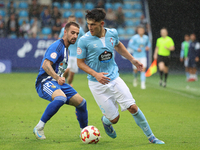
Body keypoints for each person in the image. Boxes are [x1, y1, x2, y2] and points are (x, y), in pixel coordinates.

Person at [77, 8, 164, 144]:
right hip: (97, 84)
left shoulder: (112, 33)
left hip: (114, 78)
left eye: (93, 24)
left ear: (101, 23)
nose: (90, 27)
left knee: (133, 107)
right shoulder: (84, 40)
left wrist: (133, 60)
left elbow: (118, 45)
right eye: (88, 24)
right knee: (114, 119)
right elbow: (80, 63)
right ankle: (106, 121)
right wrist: (96, 74)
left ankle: (152, 137)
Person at [33, 22, 88, 140]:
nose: (75, 36)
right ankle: (39, 127)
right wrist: (57, 77)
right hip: (45, 81)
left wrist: (59, 78)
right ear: (65, 32)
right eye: (72, 33)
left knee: (82, 103)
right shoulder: (57, 46)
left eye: (77, 34)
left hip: (57, 82)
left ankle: (85, 133)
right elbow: (45, 65)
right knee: (61, 98)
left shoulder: (66, 50)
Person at [58, 15, 85, 86]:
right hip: (67, 53)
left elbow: (84, 39)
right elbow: (59, 39)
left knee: (72, 73)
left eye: (73, 21)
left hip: (76, 54)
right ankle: (61, 82)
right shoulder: (64, 30)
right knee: (67, 69)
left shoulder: (80, 30)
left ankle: (68, 84)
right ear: (68, 22)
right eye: (70, 21)